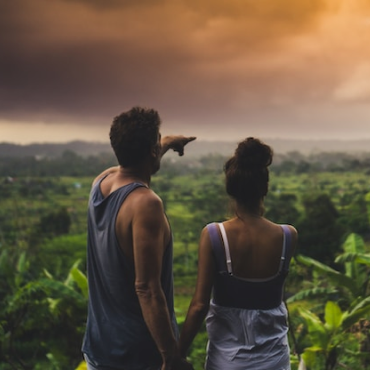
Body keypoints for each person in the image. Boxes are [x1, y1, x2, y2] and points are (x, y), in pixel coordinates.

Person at [81, 106, 195, 370]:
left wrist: (165, 143)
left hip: (99, 349)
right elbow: (147, 289)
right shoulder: (145, 204)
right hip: (137, 356)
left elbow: (131, 163)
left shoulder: (101, 182)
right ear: (151, 151)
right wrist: (170, 357)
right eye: (157, 141)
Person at [178, 137, 298, 370]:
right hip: (275, 360)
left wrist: (176, 355)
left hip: (226, 361)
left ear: (230, 189)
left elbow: (199, 305)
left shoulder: (214, 235)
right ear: (265, 187)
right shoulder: (287, 236)